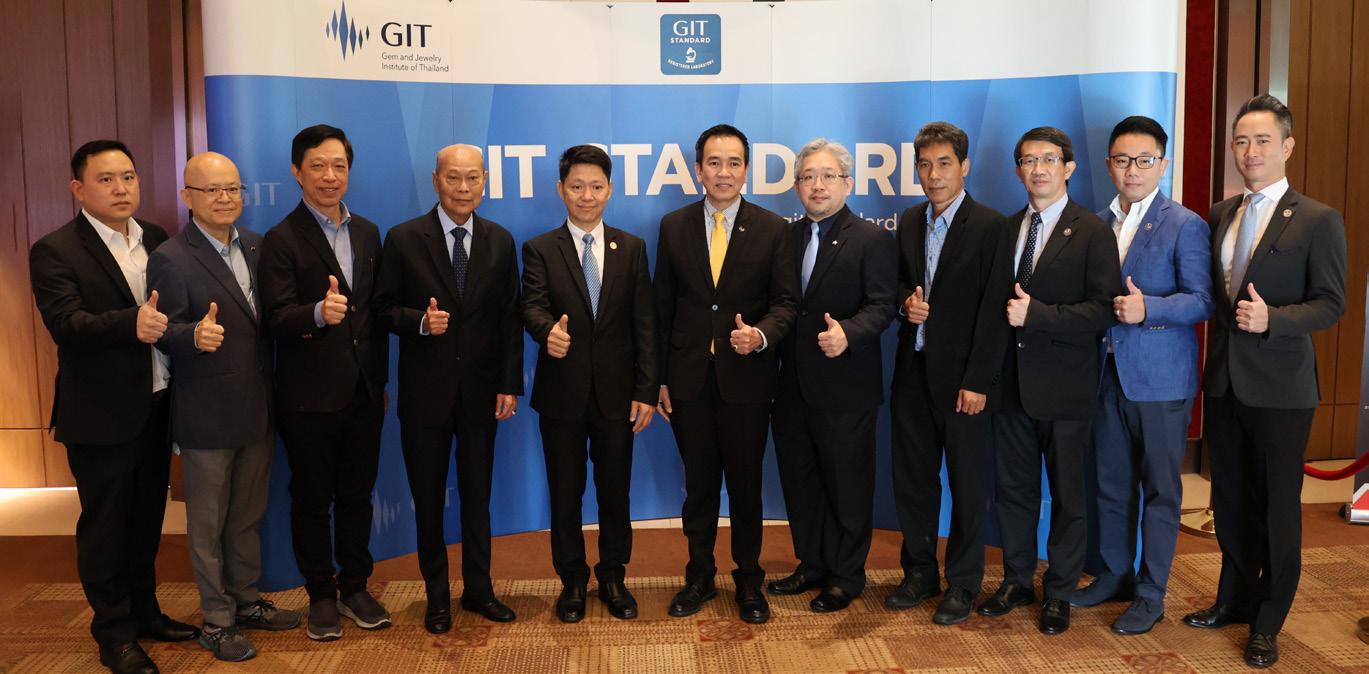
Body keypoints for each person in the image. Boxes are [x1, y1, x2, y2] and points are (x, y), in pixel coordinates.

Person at [1185, 94, 1346, 669]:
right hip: (1225, 383)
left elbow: (1330, 303)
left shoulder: (1318, 219)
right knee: (1230, 500)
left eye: (1262, 140)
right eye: (1241, 141)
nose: (1249, 151)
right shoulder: (1219, 213)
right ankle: (1232, 599)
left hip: (1282, 389)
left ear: (1287, 146)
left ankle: (1268, 620)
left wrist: (1274, 319)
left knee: (1277, 507)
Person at [29, 139, 198, 674]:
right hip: (100, 415)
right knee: (106, 528)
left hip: (156, 403)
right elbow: (66, 324)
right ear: (78, 188)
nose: (121, 188)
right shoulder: (56, 249)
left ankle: (146, 614)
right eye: (106, 179)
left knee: (146, 520)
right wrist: (131, 323)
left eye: (128, 176)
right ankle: (114, 634)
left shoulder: (155, 237)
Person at [147, 152, 300, 662]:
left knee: (246, 516)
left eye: (233, 188)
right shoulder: (171, 256)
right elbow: (160, 330)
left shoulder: (257, 245)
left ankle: (246, 601)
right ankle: (216, 621)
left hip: (257, 408)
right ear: (186, 197)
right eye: (211, 189)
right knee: (208, 527)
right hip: (206, 415)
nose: (225, 198)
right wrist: (192, 334)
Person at [1072, 116, 1213, 636]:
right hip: (1105, 375)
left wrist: (1148, 307)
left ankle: (1151, 594)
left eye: (1144, 160)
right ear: (1109, 164)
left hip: (1160, 382)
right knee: (1110, 485)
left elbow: (1203, 300)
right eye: (1122, 160)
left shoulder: (1184, 223)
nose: (1132, 170)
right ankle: (1115, 574)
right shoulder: (1095, 223)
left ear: (1163, 164)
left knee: (1160, 492)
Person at [375, 144, 523, 632]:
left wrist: (509, 383)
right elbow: (381, 309)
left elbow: (509, 318)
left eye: (473, 178)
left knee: (478, 498)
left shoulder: (500, 240)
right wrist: (420, 322)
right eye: (453, 178)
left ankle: (479, 590)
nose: (463, 188)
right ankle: (437, 596)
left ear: (485, 181)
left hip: (481, 394)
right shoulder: (403, 238)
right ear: (436, 180)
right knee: (429, 500)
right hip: (425, 396)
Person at [654, 124, 798, 625]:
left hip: (748, 382)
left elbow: (786, 304)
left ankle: (749, 580)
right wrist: (660, 380)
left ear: (746, 170)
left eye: (734, 162)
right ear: (698, 169)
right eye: (713, 162)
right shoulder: (673, 226)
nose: (723, 172)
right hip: (688, 381)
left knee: (745, 486)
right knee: (698, 487)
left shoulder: (773, 228)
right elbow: (662, 307)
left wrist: (759, 336)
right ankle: (698, 577)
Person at [981, 126, 1121, 636]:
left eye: (1048, 159)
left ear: (1069, 168)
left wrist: (1037, 315)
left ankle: (1059, 590)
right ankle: (1017, 579)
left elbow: (1103, 310)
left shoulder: (1092, 230)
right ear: (1018, 169)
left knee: (1067, 497)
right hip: (1011, 388)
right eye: (1028, 160)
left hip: (1066, 389)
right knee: (1013, 492)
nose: (1037, 169)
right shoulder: (1006, 229)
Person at [258, 125, 391, 641]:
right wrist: (316, 312)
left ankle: (355, 586)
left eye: (339, 165)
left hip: (364, 393)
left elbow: (375, 313)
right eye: (317, 165)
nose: (330, 176)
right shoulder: (281, 239)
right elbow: (274, 319)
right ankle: (320, 594)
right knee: (313, 499)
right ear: (297, 172)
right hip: (308, 399)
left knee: (358, 496)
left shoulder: (369, 232)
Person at [521, 145, 657, 623]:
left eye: (596, 186)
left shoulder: (631, 247)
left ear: (610, 190)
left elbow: (645, 324)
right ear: (561, 189)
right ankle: (573, 581)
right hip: (562, 394)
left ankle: (614, 577)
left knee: (614, 492)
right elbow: (532, 306)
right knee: (566, 493)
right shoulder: (540, 248)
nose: (586, 195)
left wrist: (645, 390)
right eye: (576, 186)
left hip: (618, 397)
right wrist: (547, 333)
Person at [886, 122, 1012, 625]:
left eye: (944, 164)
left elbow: (995, 310)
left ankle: (962, 583)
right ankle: (919, 573)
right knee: (914, 481)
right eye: (924, 165)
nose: (933, 175)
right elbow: (898, 284)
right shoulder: (909, 220)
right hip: (913, 373)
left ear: (964, 167)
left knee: (967, 485)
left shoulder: (990, 225)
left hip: (964, 382)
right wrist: (905, 304)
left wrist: (978, 381)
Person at [767, 139, 895, 614]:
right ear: (796, 185)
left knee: (847, 484)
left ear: (848, 182)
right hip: (793, 386)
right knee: (801, 482)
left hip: (846, 386)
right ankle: (812, 563)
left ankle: (846, 575)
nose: (817, 185)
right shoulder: (786, 237)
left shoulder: (872, 239)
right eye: (807, 177)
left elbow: (882, 306)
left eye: (827, 176)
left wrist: (849, 334)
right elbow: (783, 305)